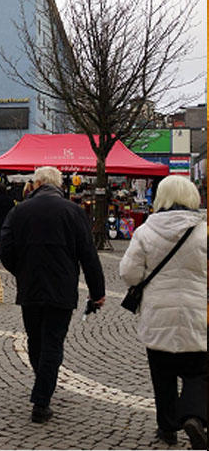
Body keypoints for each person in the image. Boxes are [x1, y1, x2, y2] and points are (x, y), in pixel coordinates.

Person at [0, 166, 105, 423]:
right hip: (62, 287)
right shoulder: (74, 212)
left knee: (36, 340)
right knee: (53, 342)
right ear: (59, 185)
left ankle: (42, 387)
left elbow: (5, 249)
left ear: (36, 184)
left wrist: (21, 271)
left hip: (30, 286)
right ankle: (42, 397)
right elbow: (88, 254)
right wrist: (97, 291)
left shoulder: (20, 210)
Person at [119, 175, 207, 449]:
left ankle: (167, 428)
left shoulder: (146, 231)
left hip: (158, 313)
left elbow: (129, 273)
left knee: (162, 374)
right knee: (200, 371)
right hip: (197, 312)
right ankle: (194, 416)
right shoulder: (204, 232)